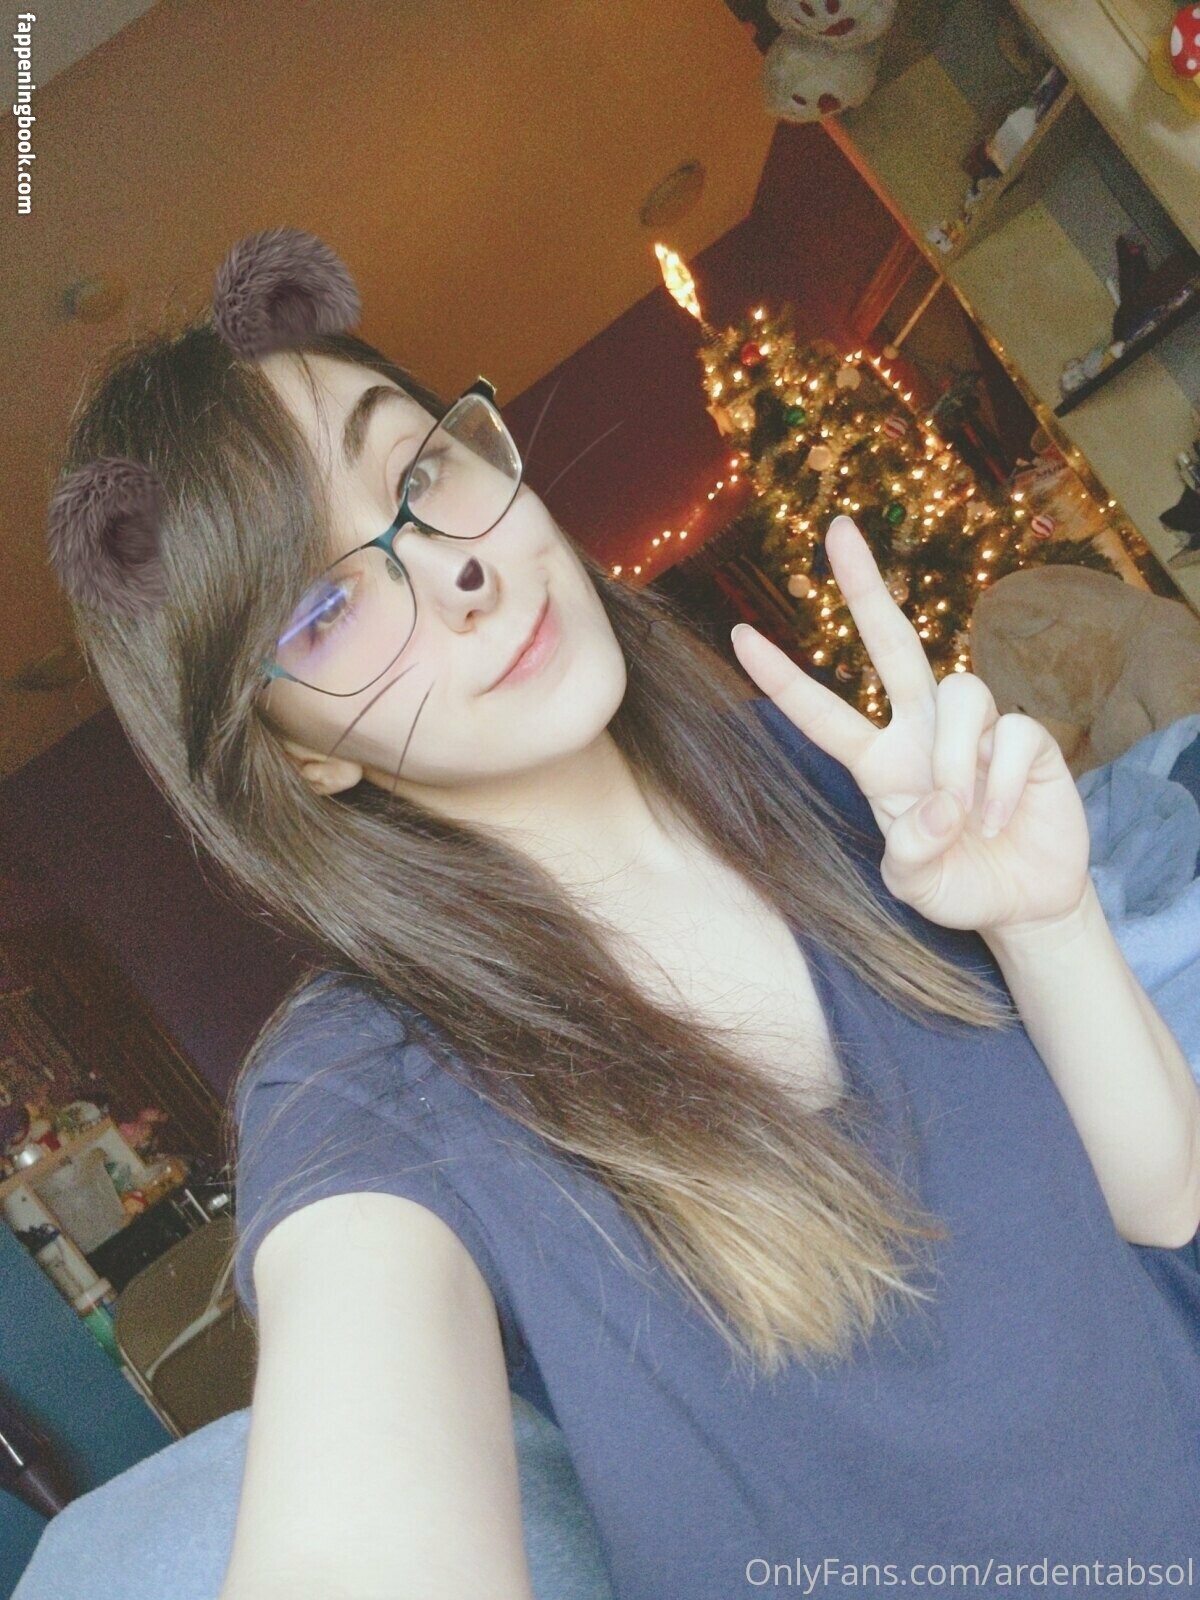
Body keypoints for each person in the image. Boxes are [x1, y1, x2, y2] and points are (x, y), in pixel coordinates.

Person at [46, 228, 1200, 1600]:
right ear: (302, 758)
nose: (454, 573)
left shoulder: (818, 773)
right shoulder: (365, 1096)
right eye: (326, 605)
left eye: (417, 472)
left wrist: (1047, 922)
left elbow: (1162, 1202)